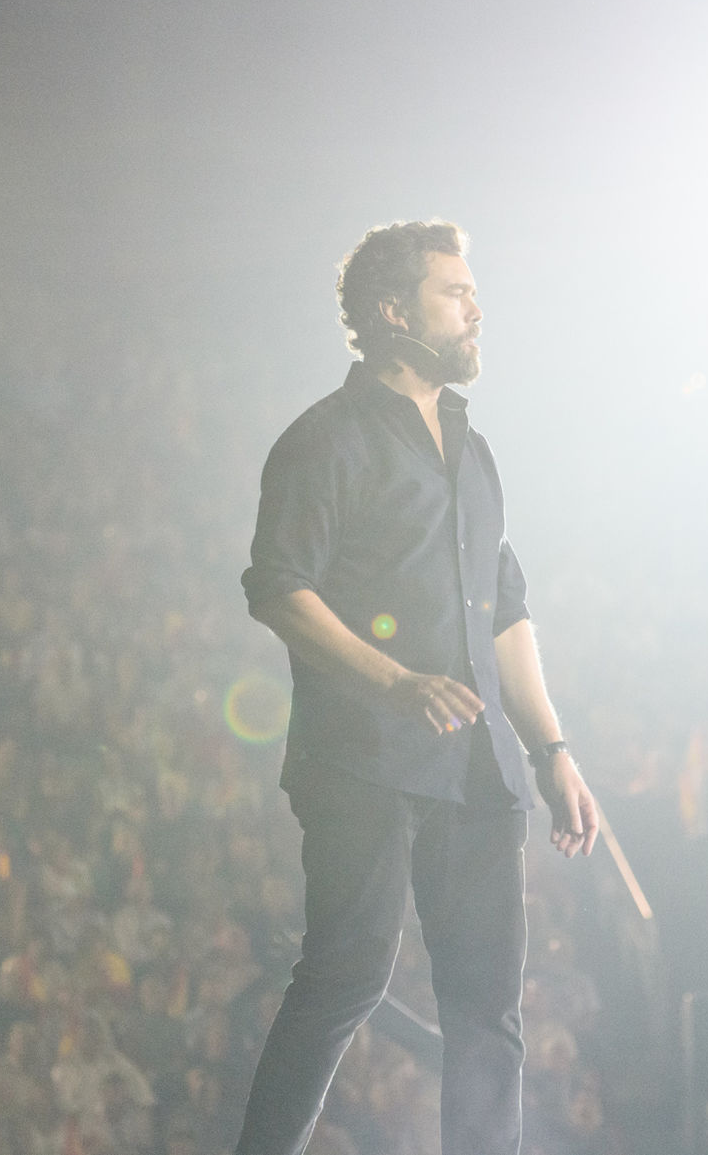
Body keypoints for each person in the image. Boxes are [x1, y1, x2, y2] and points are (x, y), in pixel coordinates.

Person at [232, 220, 600, 1155]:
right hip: (363, 760)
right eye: (455, 292)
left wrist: (552, 749)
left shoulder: (474, 450)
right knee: (345, 978)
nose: (476, 308)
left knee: (488, 1009)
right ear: (395, 312)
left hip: (479, 770)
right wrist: (394, 680)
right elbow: (279, 587)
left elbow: (505, 610)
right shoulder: (326, 438)